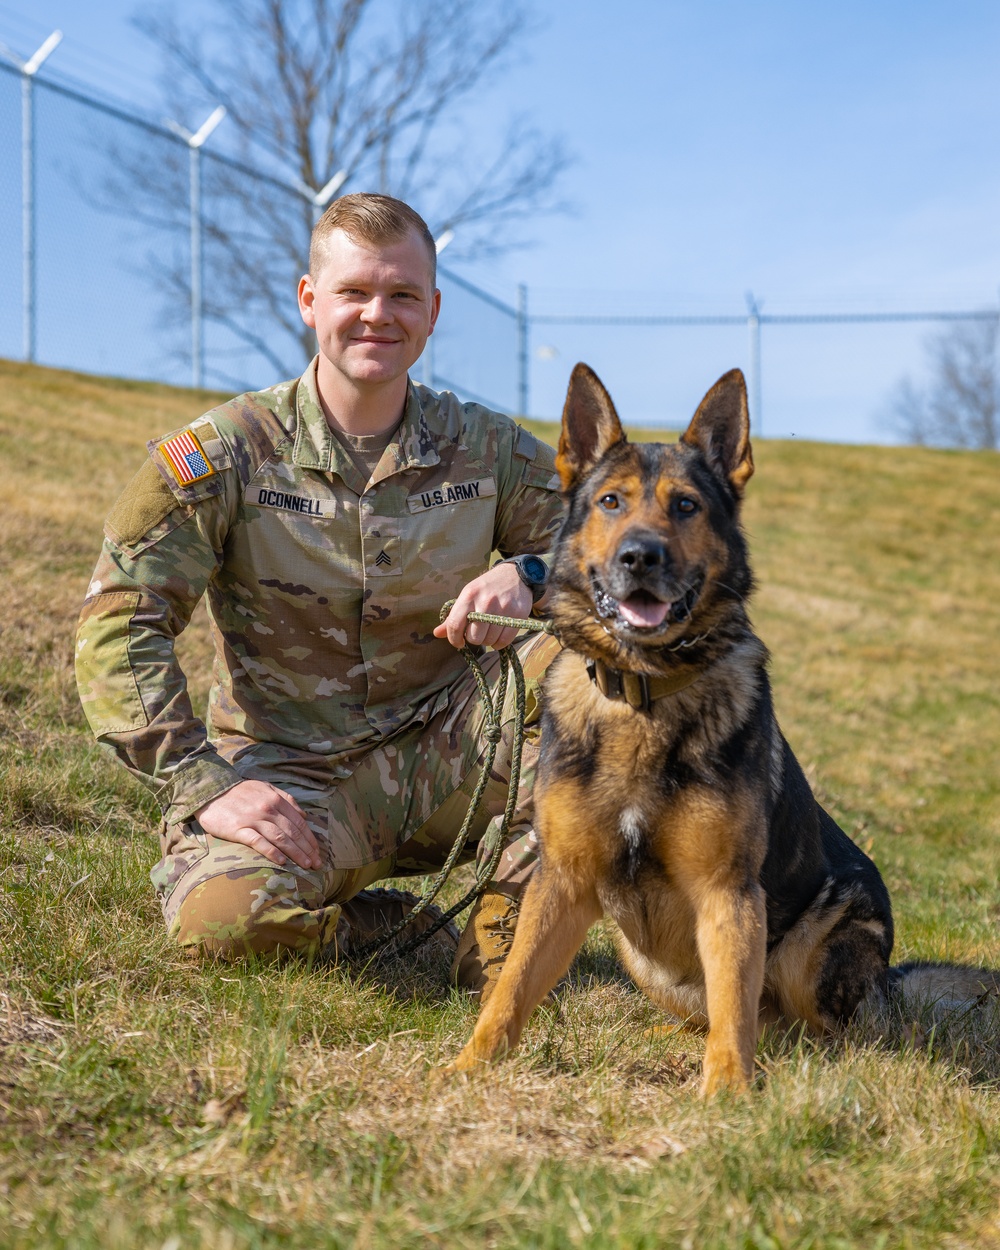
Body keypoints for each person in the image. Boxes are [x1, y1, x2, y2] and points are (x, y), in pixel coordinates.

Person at [75, 193, 563, 999]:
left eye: (403, 295)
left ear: (434, 311)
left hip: (457, 754)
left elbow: (609, 552)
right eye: (355, 292)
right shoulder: (227, 454)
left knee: (597, 671)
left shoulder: (489, 450)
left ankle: (512, 917)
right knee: (224, 923)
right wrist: (203, 784)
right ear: (310, 301)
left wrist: (533, 576)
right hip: (288, 775)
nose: (379, 315)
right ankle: (406, 935)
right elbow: (120, 624)